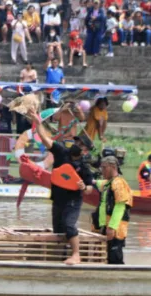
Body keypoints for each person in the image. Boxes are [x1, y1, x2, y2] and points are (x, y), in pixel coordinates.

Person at [27, 108, 94, 265]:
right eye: (76, 141)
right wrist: (37, 123)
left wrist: (84, 187)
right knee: (58, 229)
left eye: (80, 144)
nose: (76, 144)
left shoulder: (84, 167)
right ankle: (60, 255)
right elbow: (45, 140)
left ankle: (76, 255)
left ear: (85, 151)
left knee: (69, 225)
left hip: (73, 200)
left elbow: (91, 188)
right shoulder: (62, 152)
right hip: (57, 198)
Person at [93, 156, 133, 264]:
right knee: (106, 257)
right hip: (106, 226)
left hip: (116, 228)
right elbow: (96, 183)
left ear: (112, 167)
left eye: (104, 168)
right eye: (101, 168)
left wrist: (111, 227)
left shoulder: (118, 183)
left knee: (115, 258)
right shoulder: (108, 183)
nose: (102, 170)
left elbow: (120, 206)